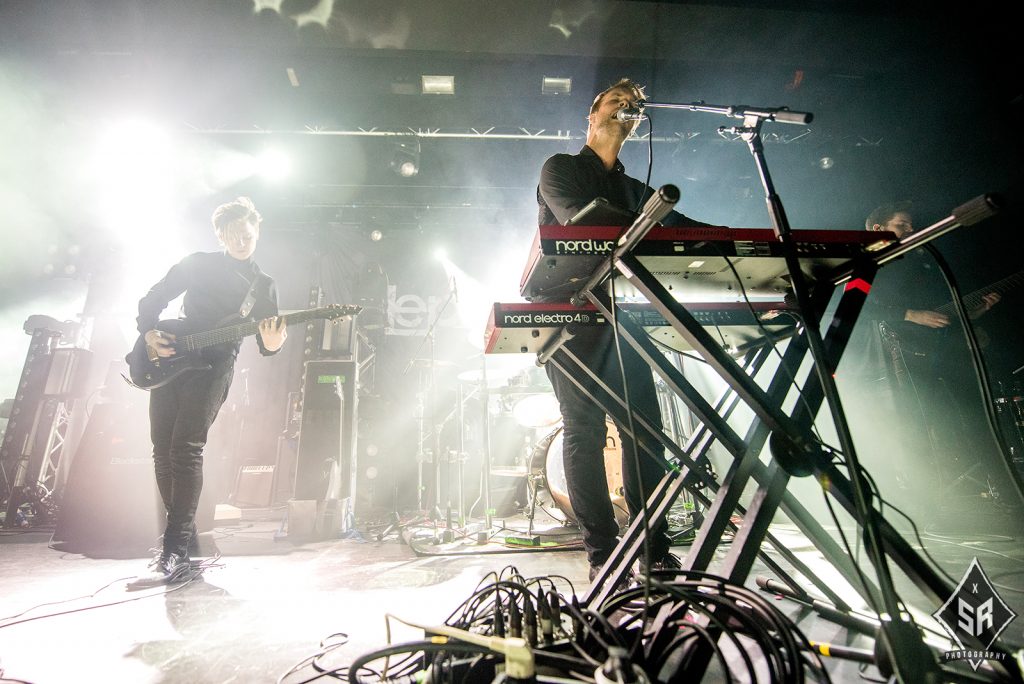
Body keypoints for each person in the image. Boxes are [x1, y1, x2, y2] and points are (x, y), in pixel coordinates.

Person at [537, 78, 709, 580]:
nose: (626, 108)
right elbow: (577, 221)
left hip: (617, 316)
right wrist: (644, 223)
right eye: (616, 101)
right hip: (566, 312)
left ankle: (651, 550)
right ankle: (602, 555)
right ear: (591, 116)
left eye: (632, 106)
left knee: (645, 431)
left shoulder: (636, 189)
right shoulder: (561, 168)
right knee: (584, 427)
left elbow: (689, 231)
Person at [134, 197, 286, 584]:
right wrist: (149, 331)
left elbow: (268, 346)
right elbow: (153, 298)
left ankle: (173, 547)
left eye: (247, 234)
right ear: (220, 235)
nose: (241, 240)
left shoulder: (263, 285)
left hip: (214, 367)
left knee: (185, 448)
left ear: (257, 232)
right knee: (162, 448)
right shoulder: (198, 263)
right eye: (233, 234)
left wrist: (274, 341)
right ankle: (183, 541)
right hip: (172, 358)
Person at [843, 202, 1000, 506]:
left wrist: (976, 311)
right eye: (903, 224)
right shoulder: (862, 261)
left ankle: (986, 489)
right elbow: (854, 304)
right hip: (878, 365)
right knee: (905, 426)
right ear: (878, 229)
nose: (911, 230)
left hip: (932, 355)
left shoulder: (915, 264)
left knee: (964, 417)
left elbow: (940, 317)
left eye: (911, 224)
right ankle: (915, 499)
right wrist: (909, 314)